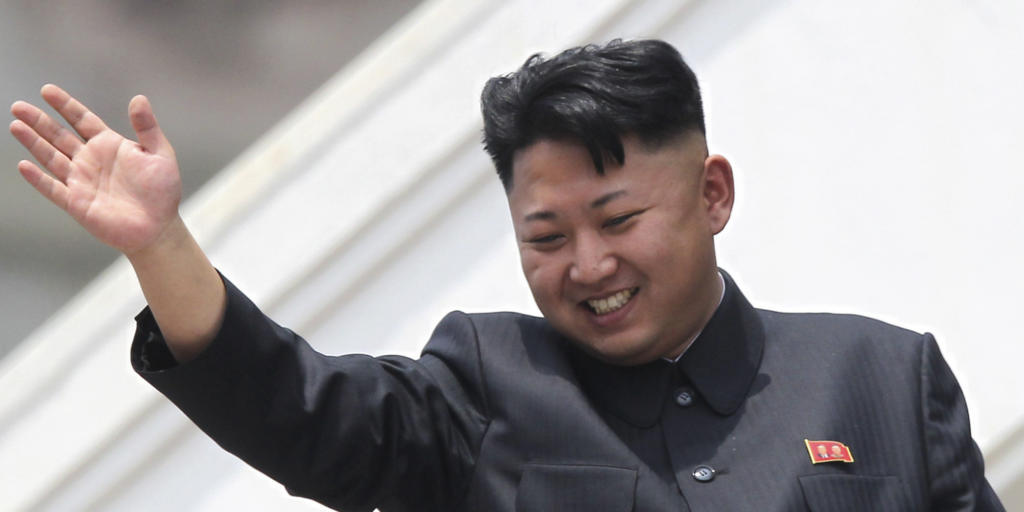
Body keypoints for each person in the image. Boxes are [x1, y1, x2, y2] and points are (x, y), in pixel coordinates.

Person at [9, 39, 1003, 511]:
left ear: (711, 193)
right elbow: (295, 405)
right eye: (546, 233)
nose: (588, 264)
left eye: (617, 219)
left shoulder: (883, 377)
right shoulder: (484, 383)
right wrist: (158, 242)